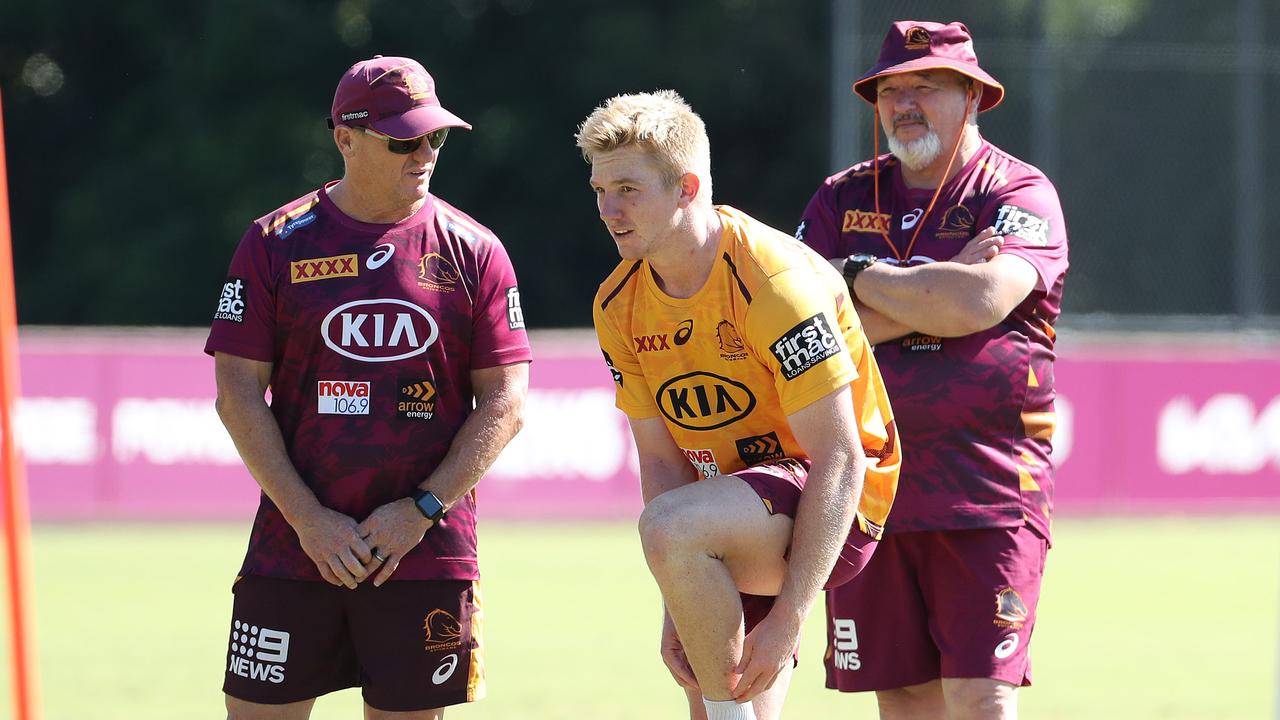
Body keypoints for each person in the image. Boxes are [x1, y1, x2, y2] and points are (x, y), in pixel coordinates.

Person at [206, 55, 531, 720]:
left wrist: (419, 511)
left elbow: (506, 401)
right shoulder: (275, 243)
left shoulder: (475, 250)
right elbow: (236, 393)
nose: (425, 154)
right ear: (345, 138)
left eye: (434, 137)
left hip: (423, 554)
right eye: (405, 140)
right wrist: (310, 520)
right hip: (293, 548)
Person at [578, 90, 900, 720]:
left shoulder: (773, 282)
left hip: (838, 502)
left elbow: (839, 458)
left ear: (687, 187)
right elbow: (663, 466)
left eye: (628, 189)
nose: (608, 210)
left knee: (672, 530)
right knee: (722, 701)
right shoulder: (616, 302)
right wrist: (676, 595)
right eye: (598, 190)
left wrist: (788, 621)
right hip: (724, 504)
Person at [795, 20, 1069, 720]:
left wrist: (853, 284)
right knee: (905, 705)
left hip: (988, 492)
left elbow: (981, 299)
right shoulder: (841, 198)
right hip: (866, 486)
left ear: (973, 97)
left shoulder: (1019, 192)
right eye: (891, 90)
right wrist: (925, 288)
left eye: (926, 87)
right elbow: (804, 324)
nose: (903, 104)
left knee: (982, 700)